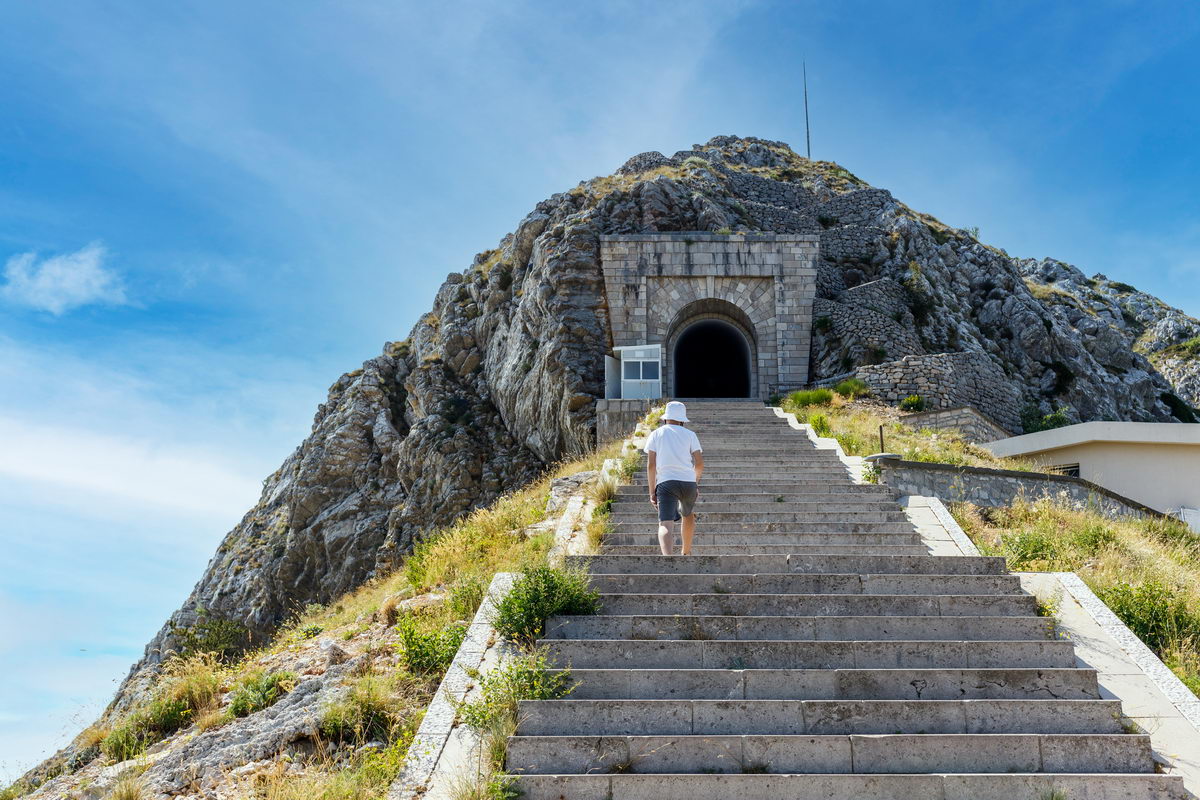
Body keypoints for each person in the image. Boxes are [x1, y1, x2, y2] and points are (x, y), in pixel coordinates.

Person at [644, 400, 704, 556]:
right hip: (688, 482)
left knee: (665, 524)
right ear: (682, 420)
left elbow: (651, 465)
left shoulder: (656, 434)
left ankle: (669, 560)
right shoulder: (691, 435)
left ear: (665, 418)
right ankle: (686, 552)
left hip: (666, 482)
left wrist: (652, 492)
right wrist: (695, 483)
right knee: (688, 515)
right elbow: (699, 463)